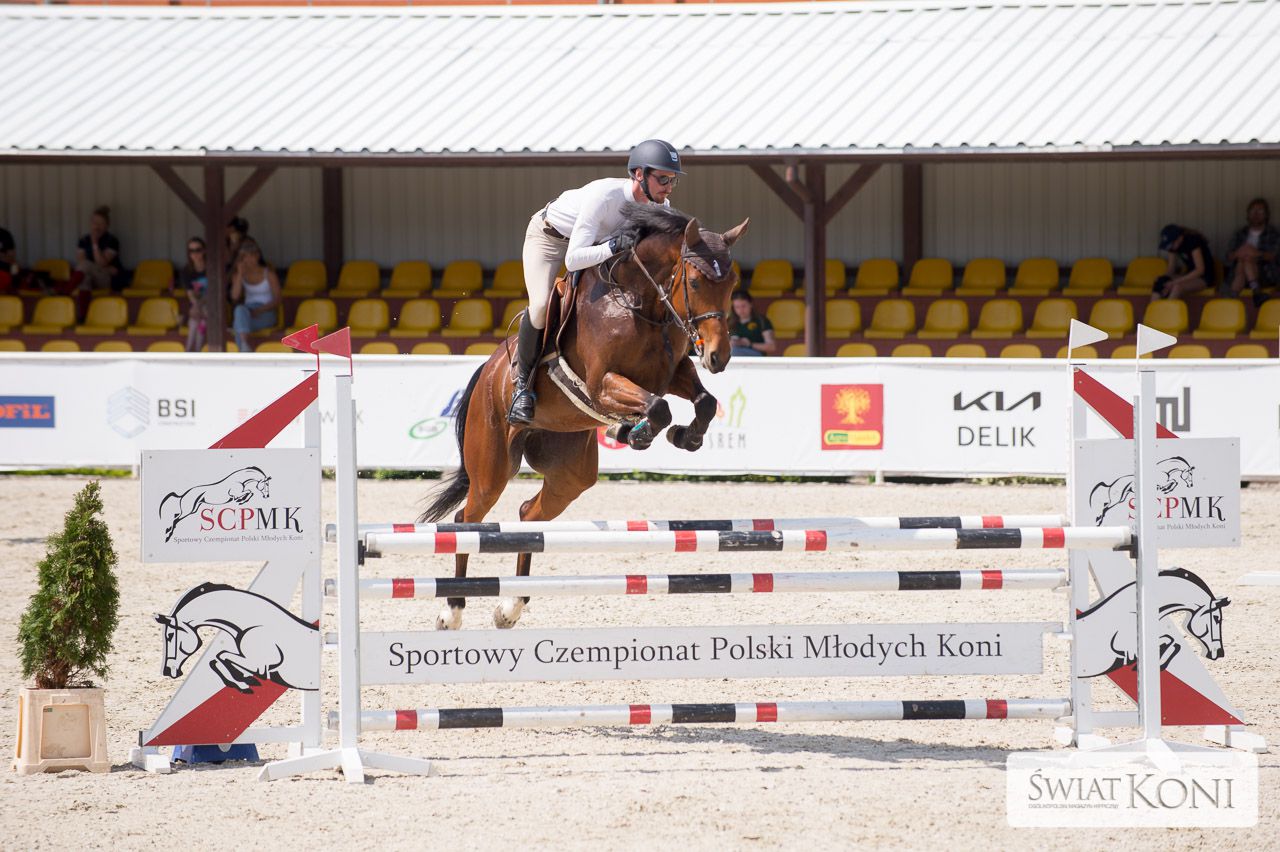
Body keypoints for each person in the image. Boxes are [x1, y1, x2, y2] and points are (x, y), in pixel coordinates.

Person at [509, 139, 685, 425]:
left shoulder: (661, 207)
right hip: (550, 239)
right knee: (540, 306)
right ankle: (522, 388)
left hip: (595, 245)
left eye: (673, 180)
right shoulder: (604, 196)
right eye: (663, 179)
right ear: (639, 174)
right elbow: (573, 260)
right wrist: (613, 246)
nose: (668, 187)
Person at [1224, 198, 1280, 307]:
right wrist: (1238, 253)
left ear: (1266, 215)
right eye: (1252, 211)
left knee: (1246, 260)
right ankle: (1256, 293)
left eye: (1260, 211)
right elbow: (1227, 257)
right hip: (1239, 272)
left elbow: (1275, 256)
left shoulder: (1273, 233)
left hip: (1266, 274)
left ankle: (1231, 299)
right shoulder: (1240, 233)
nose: (1256, 214)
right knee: (1243, 261)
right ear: (1248, 214)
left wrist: (1256, 253)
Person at [229, 238, 280, 352]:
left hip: (266, 311)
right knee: (239, 310)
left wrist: (259, 310)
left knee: (238, 324)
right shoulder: (238, 275)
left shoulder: (269, 273)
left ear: (258, 256)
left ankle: (242, 351)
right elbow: (234, 296)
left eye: (252, 256)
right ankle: (244, 345)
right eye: (245, 257)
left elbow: (277, 299)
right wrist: (240, 274)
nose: (249, 260)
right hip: (247, 311)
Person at [1152, 224, 1213, 302]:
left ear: (1180, 238)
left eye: (1171, 244)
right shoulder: (1173, 246)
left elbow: (1200, 270)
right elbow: (1171, 268)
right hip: (1189, 275)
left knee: (1177, 287)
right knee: (1160, 282)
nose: (1170, 247)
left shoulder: (1192, 241)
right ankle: (1152, 309)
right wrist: (1165, 280)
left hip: (1204, 278)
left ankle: (1167, 309)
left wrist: (1173, 282)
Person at [75, 206, 126, 292]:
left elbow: (101, 263)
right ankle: (84, 301)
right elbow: (81, 263)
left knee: (85, 267)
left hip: (107, 279)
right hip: (91, 276)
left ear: (107, 225)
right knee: (85, 277)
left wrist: (94, 243)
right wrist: (107, 269)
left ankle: (66, 289)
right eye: (94, 223)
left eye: (101, 223)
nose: (97, 226)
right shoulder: (83, 240)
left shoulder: (112, 240)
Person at [179, 237, 210, 352]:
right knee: (195, 320)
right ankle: (190, 350)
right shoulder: (186, 271)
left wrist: (198, 305)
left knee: (203, 314)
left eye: (198, 250)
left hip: (212, 304)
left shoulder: (211, 268)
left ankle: (195, 351)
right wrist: (197, 305)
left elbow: (213, 293)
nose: (195, 253)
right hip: (197, 305)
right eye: (191, 251)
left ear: (204, 250)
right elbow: (190, 293)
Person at [728, 290, 776, 357]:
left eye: (743, 306)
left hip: (755, 356)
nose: (741, 310)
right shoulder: (729, 322)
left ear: (750, 304)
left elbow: (771, 347)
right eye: (737, 307)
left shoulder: (761, 321)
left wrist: (749, 344)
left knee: (733, 351)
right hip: (733, 355)